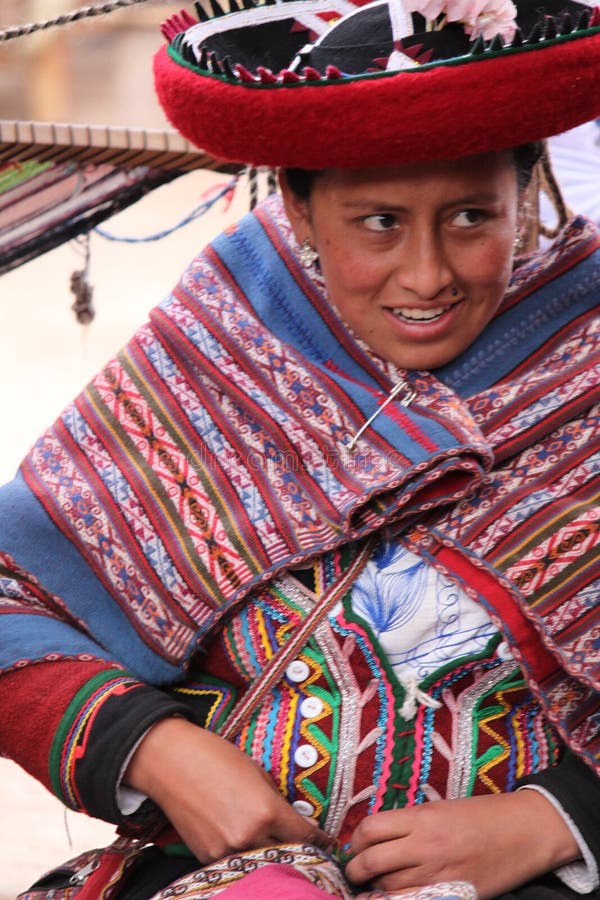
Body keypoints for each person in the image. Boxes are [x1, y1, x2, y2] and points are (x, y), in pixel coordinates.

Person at [3, 0, 600, 897]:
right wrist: (160, 752)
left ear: (527, 193)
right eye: (378, 222)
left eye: (473, 217)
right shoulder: (221, 342)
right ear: (298, 207)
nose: (428, 274)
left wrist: (555, 820)